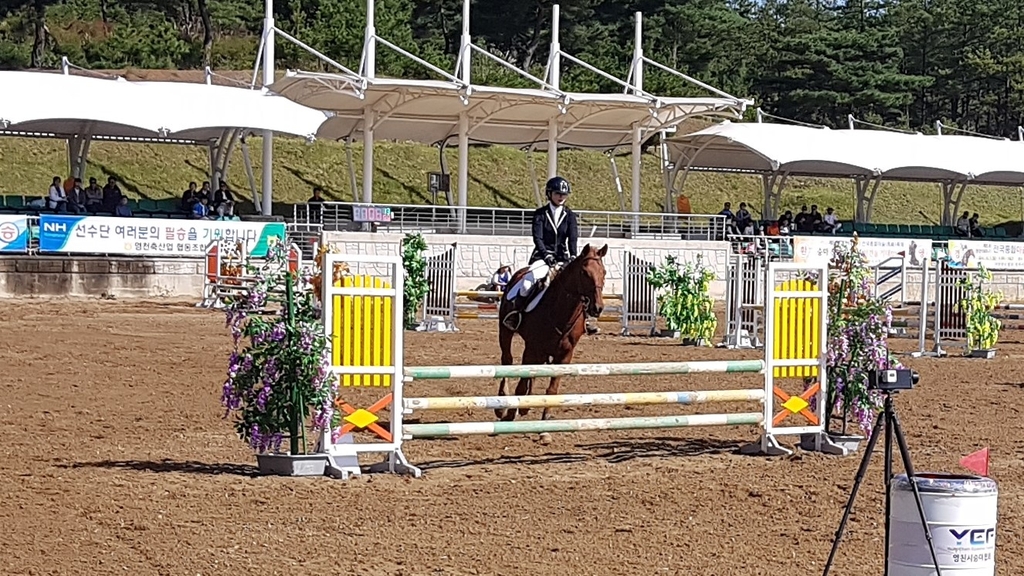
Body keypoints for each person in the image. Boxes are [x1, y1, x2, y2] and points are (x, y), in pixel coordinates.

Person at [502, 176, 579, 331]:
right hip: (542, 257)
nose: (561, 197)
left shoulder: (570, 215)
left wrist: (573, 256)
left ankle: (584, 319)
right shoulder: (540, 214)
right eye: (558, 193)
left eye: (564, 194)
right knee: (526, 284)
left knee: (579, 284)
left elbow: (573, 238)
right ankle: (517, 314)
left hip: (562, 257)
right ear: (549, 194)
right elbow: (538, 238)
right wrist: (546, 255)